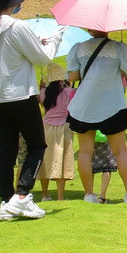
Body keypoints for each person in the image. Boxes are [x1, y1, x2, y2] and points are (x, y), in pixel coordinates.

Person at [0, 0, 62, 221]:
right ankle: (22, 196)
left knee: (7, 150)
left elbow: (14, 51)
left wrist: (37, 43)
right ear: (13, 3)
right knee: (37, 145)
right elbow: (43, 60)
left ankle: (6, 202)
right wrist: (54, 40)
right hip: (19, 95)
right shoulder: (16, 26)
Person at [66, 29, 127, 205]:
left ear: (90, 29)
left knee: (85, 151)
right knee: (120, 151)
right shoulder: (119, 48)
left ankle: (89, 195)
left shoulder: (78, 48)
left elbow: (73, 76)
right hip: (111, 104)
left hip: (85, 105)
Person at [37, 63, 75, 202]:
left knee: (46, 159)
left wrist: (41, 89)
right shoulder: (67, 92)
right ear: (61, 78)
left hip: (46, 127)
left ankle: (44, 194)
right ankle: (60, 196)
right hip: (64, 127)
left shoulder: (43, 93)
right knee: (62, 159)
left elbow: (43, 105)